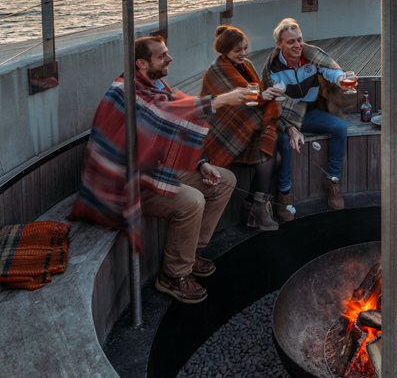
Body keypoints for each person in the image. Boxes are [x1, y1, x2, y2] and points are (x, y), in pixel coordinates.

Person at [70, 35, 248, 304]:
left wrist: (201, 163)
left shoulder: (154, 83)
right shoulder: (125, 92)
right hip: (127, 184)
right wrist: (222, 100)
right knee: (192, 201)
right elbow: (168, 115)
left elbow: (172, 127)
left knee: (225, 180)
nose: (170, 58)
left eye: (167, 52)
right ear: (141, 63)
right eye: (162, 55)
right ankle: (172, 276)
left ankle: (189, 254)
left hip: (153, 170)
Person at [201, 25, 290, 231]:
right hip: (226, 132)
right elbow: (235, 107)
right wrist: (263, 97)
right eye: (237, 50)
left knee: (274, 156)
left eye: (245, 48)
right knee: (271, 141)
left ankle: (253, 207)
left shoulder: (247, 65)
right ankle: (257, 209)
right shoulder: (217, 70)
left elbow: (254, 99)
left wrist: (264, 97)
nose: (243, 54)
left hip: (246, 127)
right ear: (225, 51)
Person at [262, 18, 356, 210]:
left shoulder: (311, 56)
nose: (297, 45)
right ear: (279, 45)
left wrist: (341, 80)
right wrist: (288, 127)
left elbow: (330, 70)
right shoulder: (273, 69)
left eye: (299, 40)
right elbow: (272, 105)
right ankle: (284, 192)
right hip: (285, 118)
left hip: (309, 114)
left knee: (340, 127)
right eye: (291, 42)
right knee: (284, 144)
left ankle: (332, 180)